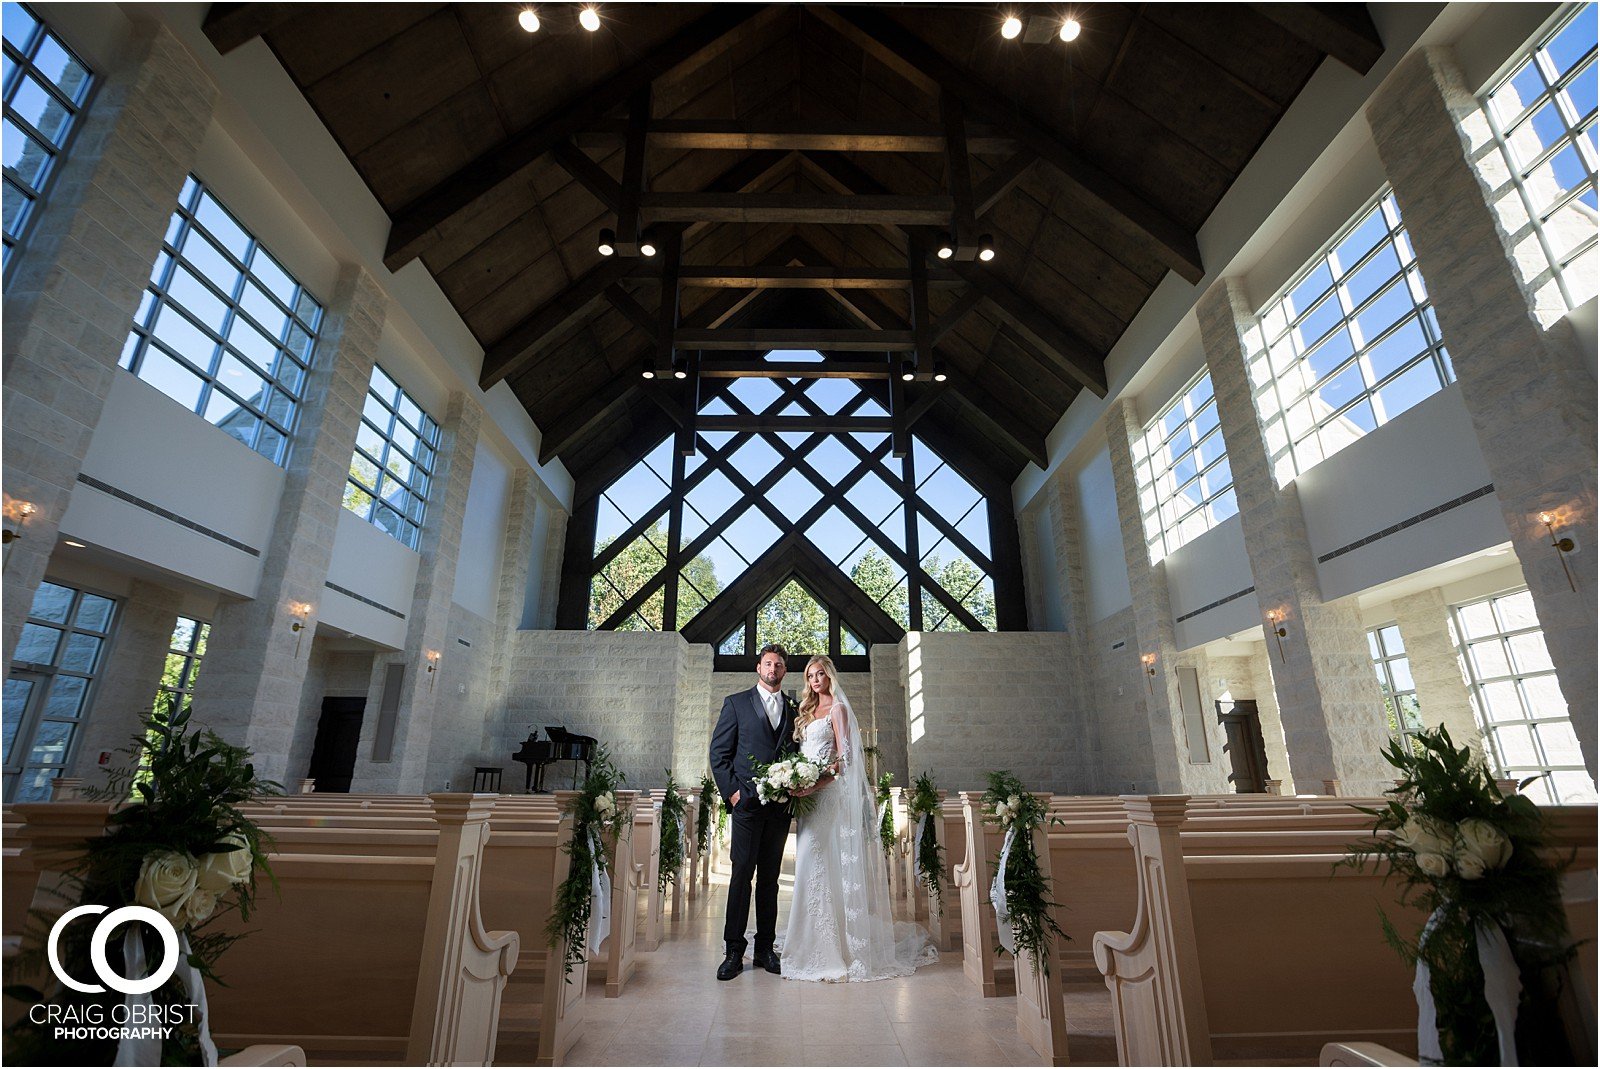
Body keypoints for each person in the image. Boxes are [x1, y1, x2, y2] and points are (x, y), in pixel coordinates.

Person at [781, 654, 937, 982]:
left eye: (820, 674)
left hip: (827, 796)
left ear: (829, 676)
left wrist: (818, 781)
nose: (815, 680)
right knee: (809, 862)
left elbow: (846, 757)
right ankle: (809, 939)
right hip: (808, 799)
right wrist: (799, 780)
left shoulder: (837, 709)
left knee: (825, 861)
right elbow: (806, 755)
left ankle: (836, 947)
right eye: (810, 675)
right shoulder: (807, 713)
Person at [708, 643, 797, 980]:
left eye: (779, 665)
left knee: (771, 880)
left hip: (779, 808)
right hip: (745, 804)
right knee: (742, 874)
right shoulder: (736, 703)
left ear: (784, 671)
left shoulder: (792, 707)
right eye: (768, 664)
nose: (773, 670)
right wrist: (733, 794)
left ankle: (764, 948)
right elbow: (719, 753)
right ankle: (733, 950)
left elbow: (798, 752)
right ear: (758, 667)